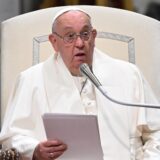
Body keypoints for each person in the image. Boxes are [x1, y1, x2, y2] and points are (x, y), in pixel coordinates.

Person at [0, 6, 160, 160]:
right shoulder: (30, 80)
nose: (79, 43)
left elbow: (156, 133)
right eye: (70, 36)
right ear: (54, 41)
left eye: (85, 34)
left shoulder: (129, 74)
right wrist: (34, 150)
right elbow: (11, 138)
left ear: (94, 36)